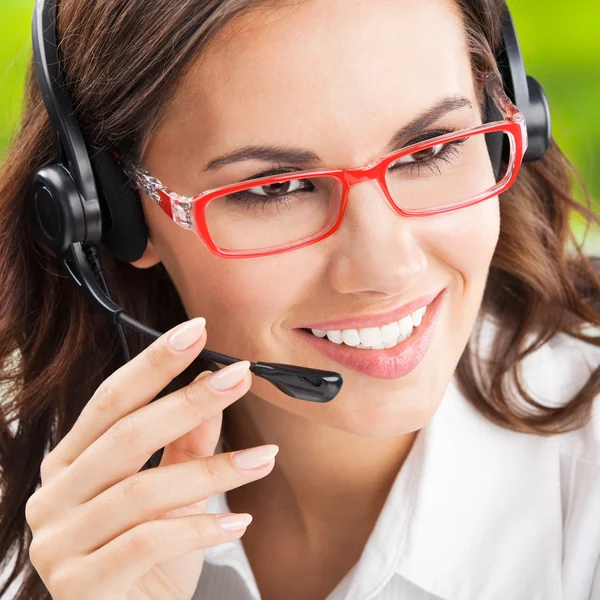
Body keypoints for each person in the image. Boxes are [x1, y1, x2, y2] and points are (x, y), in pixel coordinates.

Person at [0, 0, 598, 598]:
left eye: (428, 151)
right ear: (111, 210)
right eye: (275, 187)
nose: (386, 269)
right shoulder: (32, 501)